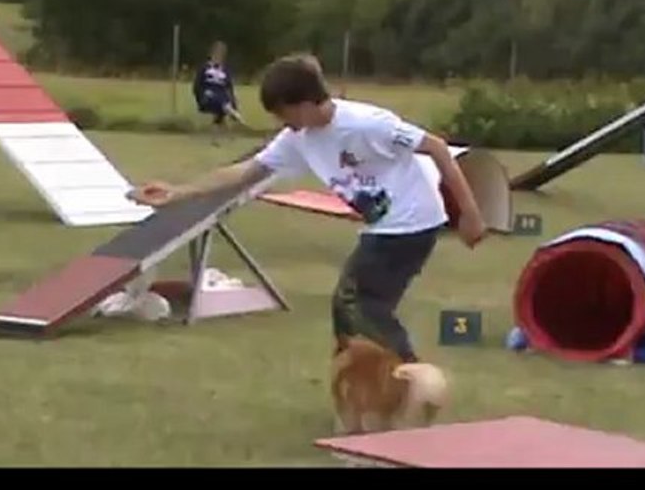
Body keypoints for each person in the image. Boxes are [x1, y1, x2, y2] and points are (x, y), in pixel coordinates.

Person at [129, 53, 487, 362]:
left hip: (411, 223)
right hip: (386, 227)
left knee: (356, 304)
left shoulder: (367, 123)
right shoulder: (297, 138)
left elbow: (438, 147)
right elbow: (246, 171)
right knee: (352, 308)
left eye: (283, 113)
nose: (282, 123)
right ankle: (366, 378)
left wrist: (470, 213)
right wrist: (178, 192)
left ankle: (405, 376)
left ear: (303, 104)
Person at [192, 40, 245, 142]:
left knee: (221, 106)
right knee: (218, 100)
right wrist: (201, 96)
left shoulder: (225, 71)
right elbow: (196, 86)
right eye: (217, 54)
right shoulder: (204, 68)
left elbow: (230, 88)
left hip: (221, 99)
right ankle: (233, 115)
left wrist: (234, 104)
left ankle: (216, 139)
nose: (219, 57)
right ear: (212, 54)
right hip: (207, 98)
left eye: (221, 55)